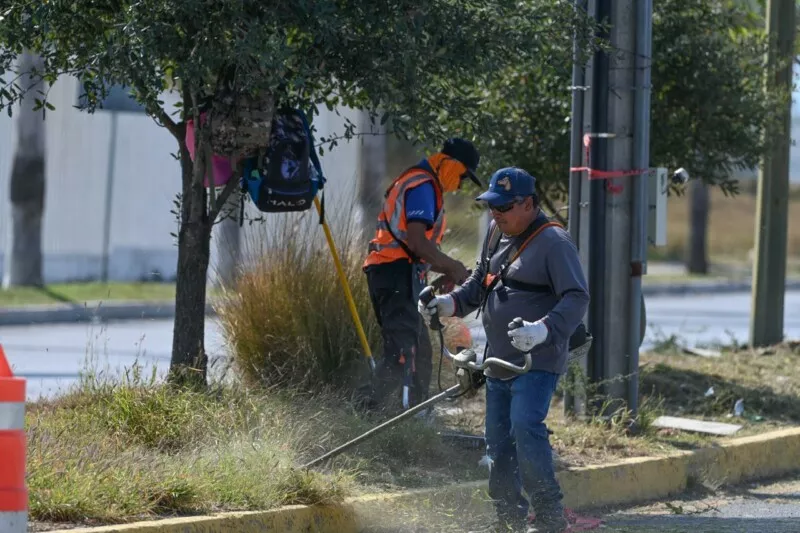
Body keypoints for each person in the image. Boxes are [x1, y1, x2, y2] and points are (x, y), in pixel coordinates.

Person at [418, 167, 590, 533]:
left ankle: (548, 516)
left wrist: (542, 329)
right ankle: (508, 519)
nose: (497, 213)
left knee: (525, 425)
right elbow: (479, 283)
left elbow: (577, 297)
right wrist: (446, 305)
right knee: (497, 440)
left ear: (529, 203)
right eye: (493, 207)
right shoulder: (497, 233)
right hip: (498, 359)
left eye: (505, 207)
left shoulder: (554, 242)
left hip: (536, 360)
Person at [360, 138, 482, 413]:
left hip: (397, 272)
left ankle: (415, 414)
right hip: (394, 275)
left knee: (419, 352)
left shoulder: (424, 185)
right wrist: (451, 266)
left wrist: (443, 268)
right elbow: (416, 242)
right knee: (403, 354)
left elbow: (415, 249)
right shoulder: (423, 186)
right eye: (463, 175)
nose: (462, 184)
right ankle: (367, 411)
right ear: (452, 164)